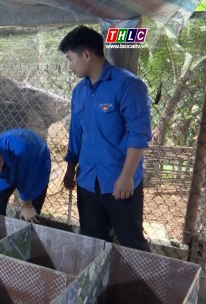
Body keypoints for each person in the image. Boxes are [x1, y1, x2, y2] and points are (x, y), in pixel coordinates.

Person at [59, 25, 151, 252]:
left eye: (71, 59)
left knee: (132, 244)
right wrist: (71, 168)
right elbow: (76, 134)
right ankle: (100, 286)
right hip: (88, 182)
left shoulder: (128, 85)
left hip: (120, 183)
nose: (70, 66)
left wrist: (127, 176)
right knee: (93, 243)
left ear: (87, 55)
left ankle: (141, 287)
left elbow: (138, 134)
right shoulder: (79, 92)